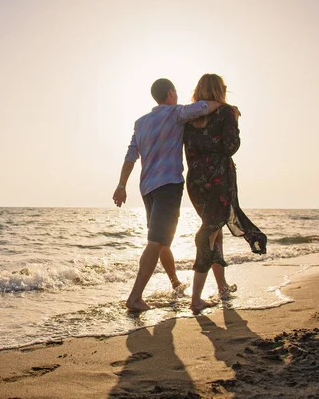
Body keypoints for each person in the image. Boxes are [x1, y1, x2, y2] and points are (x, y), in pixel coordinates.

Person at [113, 78, 222, 311]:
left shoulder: (140, 123)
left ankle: (175, 284)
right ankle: (134, 297)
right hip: (168, 185)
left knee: (162, 241)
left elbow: (131, 156)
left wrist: (121, 185)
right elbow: (203, 107)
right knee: (157, 241)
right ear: (171, 93)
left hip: (147, 188)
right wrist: (221, 104)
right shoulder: (176, 113)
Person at [183, 73, 267, 315]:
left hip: (196, 180)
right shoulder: (227, 112)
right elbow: (231, 147)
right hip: (219, 178)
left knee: (215, 230)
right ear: (220, 90)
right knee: (209, 233)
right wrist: (233, 121)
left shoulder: (189, 118)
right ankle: (196, 299)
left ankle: (221, 287)